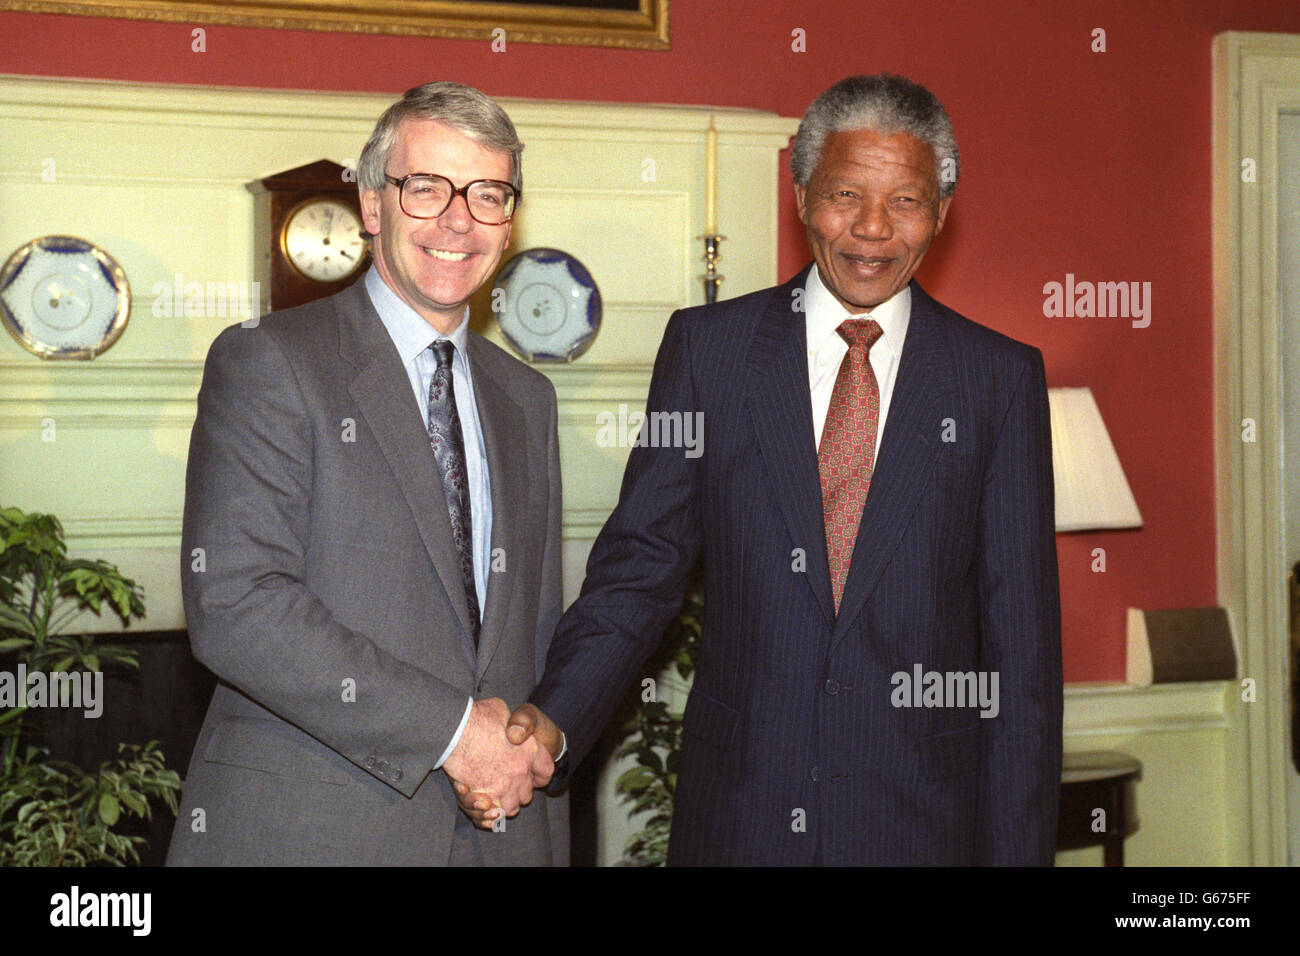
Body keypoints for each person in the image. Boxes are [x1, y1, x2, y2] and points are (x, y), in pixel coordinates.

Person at [472, 73, 1063, 865]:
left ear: (942, 214)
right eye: (846, 193)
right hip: (741, 821)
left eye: (907, 202)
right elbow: (640, 569)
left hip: (926, 831)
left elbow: (1021, 658)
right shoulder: (710, 353)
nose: (873, 229)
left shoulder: (998, 380)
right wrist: (552, 717)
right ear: (800, 195)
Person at [167, 81, 566, 866]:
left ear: (510, 222)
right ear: (373, 204)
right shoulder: (270, 361)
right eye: (427, 188)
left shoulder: (529, 398)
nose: (459, 219)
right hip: (311, 832)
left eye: (488, 194)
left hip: (499, 835)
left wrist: (527, 747)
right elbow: (237, 603)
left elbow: (535, 633)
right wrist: (456, 735)